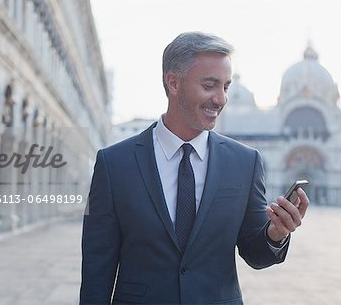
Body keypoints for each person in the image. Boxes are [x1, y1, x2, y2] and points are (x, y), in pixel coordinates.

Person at [80, 31, 309, 305]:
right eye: (210, 85)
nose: (221, 99)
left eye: (225, 87)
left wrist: (276, 233)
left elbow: (254, 253)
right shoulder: (114, 164)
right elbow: (97, 267)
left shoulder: (245, 162)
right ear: (173, 82)